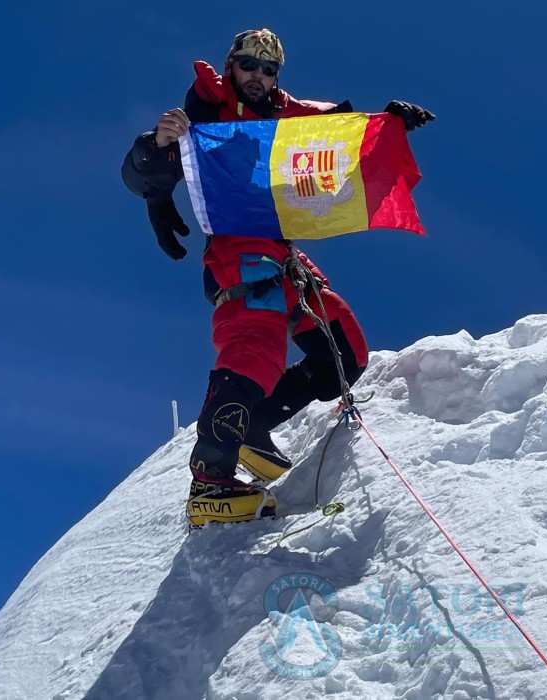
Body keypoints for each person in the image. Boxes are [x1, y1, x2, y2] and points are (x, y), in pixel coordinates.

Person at [122, 28, 434, 528]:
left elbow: (334, 132)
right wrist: (157, 144)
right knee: (255, 346)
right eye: (249, 65)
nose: (259, 76)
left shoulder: (285, 114)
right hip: (237, 251)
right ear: (231, 65)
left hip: (285, 254)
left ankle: (252, 426)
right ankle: (211, 480)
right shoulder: (206, 113)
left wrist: (387, 122)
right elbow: (142, 173)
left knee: (344, 352)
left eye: (269, 70)